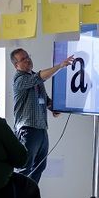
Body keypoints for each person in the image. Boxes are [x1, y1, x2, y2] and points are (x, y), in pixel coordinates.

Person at [10, 48, 74, 183]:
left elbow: (44, 99)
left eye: (28, 56)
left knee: (39, 167)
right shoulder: (20, 79)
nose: (27, 59)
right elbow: (39, 77)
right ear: (16, 65)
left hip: (41, 129)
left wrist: (53, 108)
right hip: (28, 130)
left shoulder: (34, 79)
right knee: (25, 168)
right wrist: (60, 66)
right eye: (23, 59)